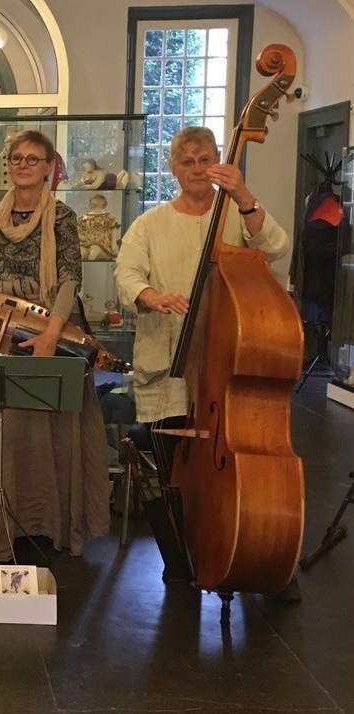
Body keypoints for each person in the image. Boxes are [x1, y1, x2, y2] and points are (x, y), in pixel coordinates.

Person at [114, 126, 294, 591]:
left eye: (205, 160)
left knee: (239, 465)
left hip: (229, 371)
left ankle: (250, 543)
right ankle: (178, 559)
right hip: (168, 365)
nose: (196, 169)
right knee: (166, 467)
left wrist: (245, 195)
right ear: (174, 168)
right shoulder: (150, 224)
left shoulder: (237, 216)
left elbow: (277, 250)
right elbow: (126, 274)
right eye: (187, 161)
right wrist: (151, 295)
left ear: (220, 163)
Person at [0, 129, 110, 563]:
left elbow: (71, 278)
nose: (22, 165)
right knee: (1, 428)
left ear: (48, 167)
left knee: (47, 431)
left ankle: (47, 524)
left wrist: (51, 335)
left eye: (32, 159)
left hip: (46, 329)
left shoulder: (62, 218)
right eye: (16, 158)